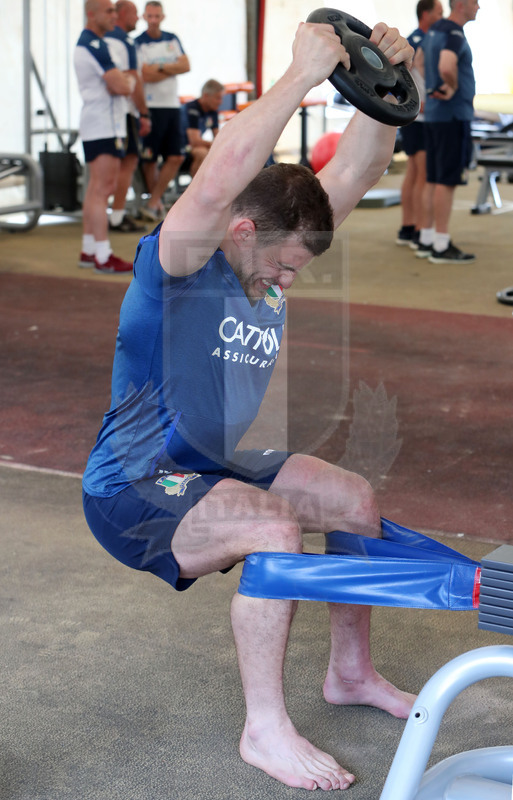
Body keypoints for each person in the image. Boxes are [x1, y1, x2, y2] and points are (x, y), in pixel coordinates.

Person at [83, 19, 416, 792]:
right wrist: (299, 75)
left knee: (350, 499)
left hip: (218, 462)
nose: (289, 283)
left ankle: (351, 673)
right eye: (283, 266)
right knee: (271, 524)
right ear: (238, 231)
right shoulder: (182, 259)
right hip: (134, 483)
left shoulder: (272, 237)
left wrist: (383, 88)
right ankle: (263, 730)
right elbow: (220, 172)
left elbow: (362, 165)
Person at [414, 0, 480, 263]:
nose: (479, 7)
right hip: (452, 116)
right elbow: (446, 65)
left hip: (435, 116)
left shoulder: (435, 30)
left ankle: (427, 239)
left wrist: (431, 89)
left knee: (433, 179)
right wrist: (449, 87)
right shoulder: (453, 32)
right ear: (462, 4)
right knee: (445, 182)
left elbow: (418, 60)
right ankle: (441, 246)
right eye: (476, 2)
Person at [74, 0, 135, 274]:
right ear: (92, 14)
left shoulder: (93, 43)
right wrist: (127, 81)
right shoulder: (94, 45)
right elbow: (122, 85)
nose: (114, 16)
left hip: (100, 125)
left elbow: (118, 84)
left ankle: (89, 250)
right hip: (104, 126)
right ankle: (102, 254)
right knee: (103, 190)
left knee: (96, 188)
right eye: (109, 11)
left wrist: (121, 82)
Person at [135, 1, 190, 221]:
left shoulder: (172, 38)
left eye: (157, 16)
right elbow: (144, 75)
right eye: (150, 16)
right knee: (150, 158)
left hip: (172, 107)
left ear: (163, 17)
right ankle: (155, 203)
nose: (154, 20)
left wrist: (157, 68)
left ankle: (154, 201)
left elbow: (185, 66)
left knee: (176, 156)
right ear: (144, 17)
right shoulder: (138, 43)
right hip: (151, 107)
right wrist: (170, 68)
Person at [396, 0, 443, 249]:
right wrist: (414, 103)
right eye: (439, 12)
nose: (442, 16)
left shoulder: (423, 38)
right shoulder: (416, 41)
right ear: (426, 14)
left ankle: (408, 227)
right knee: (422, 175)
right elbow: (400, 76)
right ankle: (418, 231)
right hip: (420, 118)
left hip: (419, 117)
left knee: (414, 172)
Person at [105, 0, 151, 233]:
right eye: (134, 14)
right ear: (122, 14)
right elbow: (133, 81)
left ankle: (111, 216)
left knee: (108, 168)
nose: (138, 19)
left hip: (106, 113)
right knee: (128, 162)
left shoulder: (101, 41)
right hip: (124, 112)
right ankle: (117, 216)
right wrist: (143, 112)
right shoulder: (124, 41)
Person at [182, 79, 224, 177]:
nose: (220, 102)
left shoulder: (212, 111)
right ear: (205, 96)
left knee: (222, 152)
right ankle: (196, 189)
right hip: (181, 147)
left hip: (193, 146)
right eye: (217, 98)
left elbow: (218, 136)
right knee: (202, 153)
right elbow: (194, 141)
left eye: (221, 98)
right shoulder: (192, 109)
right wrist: (213, 144)